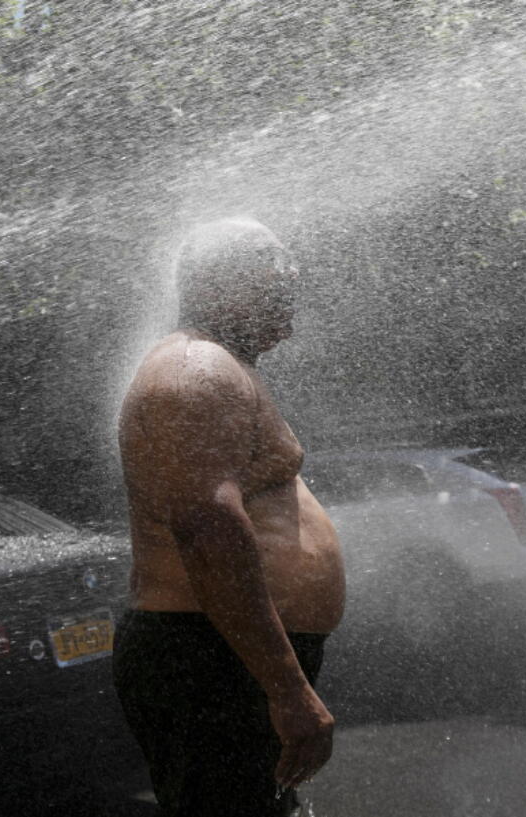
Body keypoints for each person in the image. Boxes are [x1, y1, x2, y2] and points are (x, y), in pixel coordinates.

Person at [114, 217, 346, 816]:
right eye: (280, 291)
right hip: (208, 660)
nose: (292, 317)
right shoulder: (194, 371)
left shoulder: (220, 368)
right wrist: (288, 689)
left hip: (226, 656)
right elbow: (207, 530)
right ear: (225, 287)